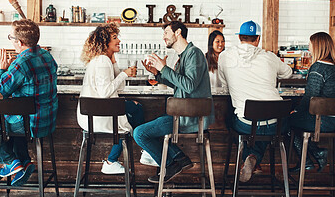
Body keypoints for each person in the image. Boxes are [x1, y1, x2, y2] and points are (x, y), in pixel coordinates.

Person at [134, 21, 214, 183]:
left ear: (178, 33)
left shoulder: (194, 54)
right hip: (182, 116)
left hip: (192, 119)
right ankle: (180, 158)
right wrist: (158, 73)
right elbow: (178, 82)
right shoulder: (184, 56)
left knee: (140, 133)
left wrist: (164, 68)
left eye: (166, 33)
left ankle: (172, 164)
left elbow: (189, 85)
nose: (163, 37)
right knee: (149, 131)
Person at [0, 19, 58, 186]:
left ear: (19, 42)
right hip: (47, 121)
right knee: (16, 113)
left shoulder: (21, 63)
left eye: (11, 37)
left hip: (30, 124)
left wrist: (1, 68)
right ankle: (25, 161)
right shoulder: (47, 56)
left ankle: (10, 161)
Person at [217, 20, 292, 182]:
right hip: (275, 125)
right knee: (271, 126)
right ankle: (254, 159)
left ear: (239, 38)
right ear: (257, 39)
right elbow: (288, 73)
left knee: (240, 124)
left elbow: (224, 85)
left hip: (246, 123)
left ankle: (251, 157)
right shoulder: (269, 57)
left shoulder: (224, 56)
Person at [77, 23, 145, 174]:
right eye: (115, 38)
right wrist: (125, 73)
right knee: (136, 109)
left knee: (132, 109)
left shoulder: (104, 60)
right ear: (104, 42)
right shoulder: (102, 60)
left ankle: (113, 160)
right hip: (99, 117)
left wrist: (115, 63)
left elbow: (119, 89)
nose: (119, 41)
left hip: (94, 115)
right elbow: (105, 92)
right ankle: (139, 151)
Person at [289, 32, 335, 173]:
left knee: (285, 121)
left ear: (317, 47)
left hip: (322, 121)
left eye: (310, 45)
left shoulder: (318, 68)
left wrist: (295, 111)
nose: (308, 48)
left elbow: (310, 98)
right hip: (332, 120)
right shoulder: (333, 67)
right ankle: (315, 155)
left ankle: (311, 158)